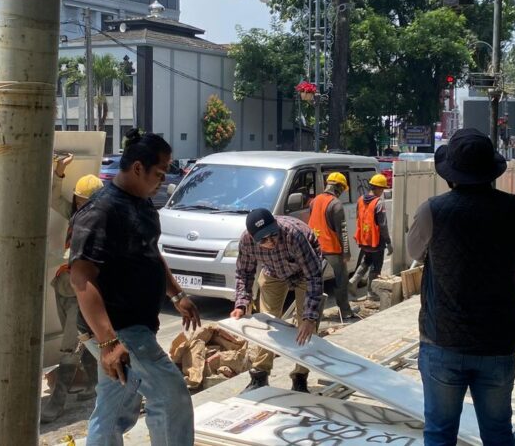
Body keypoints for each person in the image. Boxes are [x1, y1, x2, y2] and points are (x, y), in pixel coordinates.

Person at [69, 129, 201, 445]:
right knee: (171, 396)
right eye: (158, 173)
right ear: (138, 167)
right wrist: (108, 342)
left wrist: (177, 293)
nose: (162, 179)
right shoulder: (103, 210)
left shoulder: (141, 203)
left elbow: (150, 253)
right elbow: (81, 276)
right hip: (120, 329)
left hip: (132, 326)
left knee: (114, 410)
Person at [406, 128, 515, 445]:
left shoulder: (433, 210)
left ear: (451, 175)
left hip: (443, 340)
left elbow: (414, 253)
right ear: (491, 171)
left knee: (439, 432)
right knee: (498, 432)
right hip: (498, 339)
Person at [41, 154, 107, 423]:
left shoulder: (101, 224)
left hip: (83, 290)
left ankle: (57, 403)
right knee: (84, 339)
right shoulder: (79, 214)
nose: (79, 203)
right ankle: (93, 387)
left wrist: (64, 257)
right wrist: (58, 173)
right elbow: (55, 200)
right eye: (78, 199)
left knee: (71, 344)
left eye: (83, 200)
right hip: (64, 285)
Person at [231, 208, 325, 393]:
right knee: (266, 323)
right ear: (252, 236)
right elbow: (244, 272)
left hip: (305, 273)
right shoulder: (247, 242)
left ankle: (300, 377)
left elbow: (314, 276)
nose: (271, 241)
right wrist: (241, 303)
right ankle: (259, 376)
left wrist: (309, 318)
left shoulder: (293, 234)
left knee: (305, 328)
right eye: (264, 239)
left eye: (273, 234)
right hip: (273, 272)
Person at [308, 172, 356, 319]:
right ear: (339, 187)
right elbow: (342, 232)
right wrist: (346, 252)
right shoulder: (336, 204)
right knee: (341, 280)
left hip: (314, 246)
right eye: (342, 189)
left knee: (314, 281)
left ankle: (311, 312)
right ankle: (345, 311)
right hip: (331, 249)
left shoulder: (315, 201)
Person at [349, 174, 392, 297]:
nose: (383, 191)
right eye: (382, 189)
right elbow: (383, 225)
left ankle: (353, 281)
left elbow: (359, 218)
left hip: (364, 237)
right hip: (376, 239)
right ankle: (371, 292)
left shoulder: (360, 199)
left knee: (366, 260)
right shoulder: (378, 203)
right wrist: (388, 242)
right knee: (376, 266)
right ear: (378, 188)